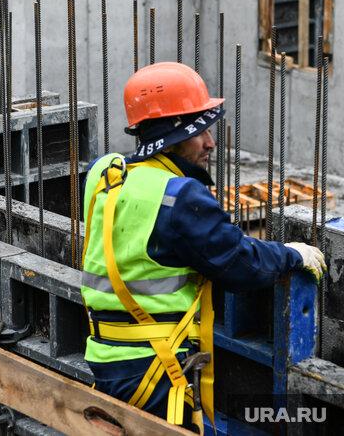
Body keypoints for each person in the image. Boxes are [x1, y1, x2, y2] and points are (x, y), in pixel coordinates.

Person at [80, 62, 326, 432]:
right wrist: (292, 253)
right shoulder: (177, 197)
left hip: (105, 355)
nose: (211, 143)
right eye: (201, 133)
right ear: (171, 137)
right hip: (155, 366)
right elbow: (241, 262)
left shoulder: (104, 174)